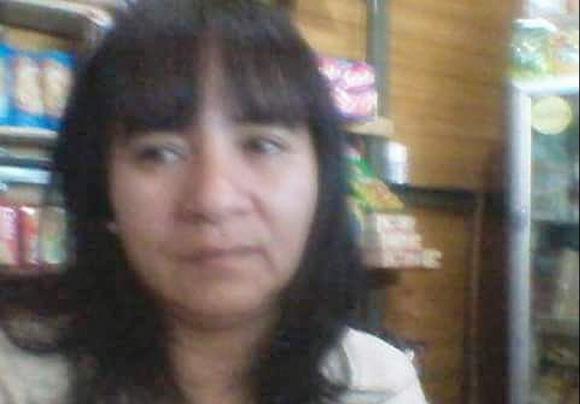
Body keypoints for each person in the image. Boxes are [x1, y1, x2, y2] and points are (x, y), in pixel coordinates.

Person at [0, 1, 428, 403]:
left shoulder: (378, 387)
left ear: (323, 177)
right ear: (102, 191)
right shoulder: (16, 382)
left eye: (262, 145)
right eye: (158, 153)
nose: (213, 200)